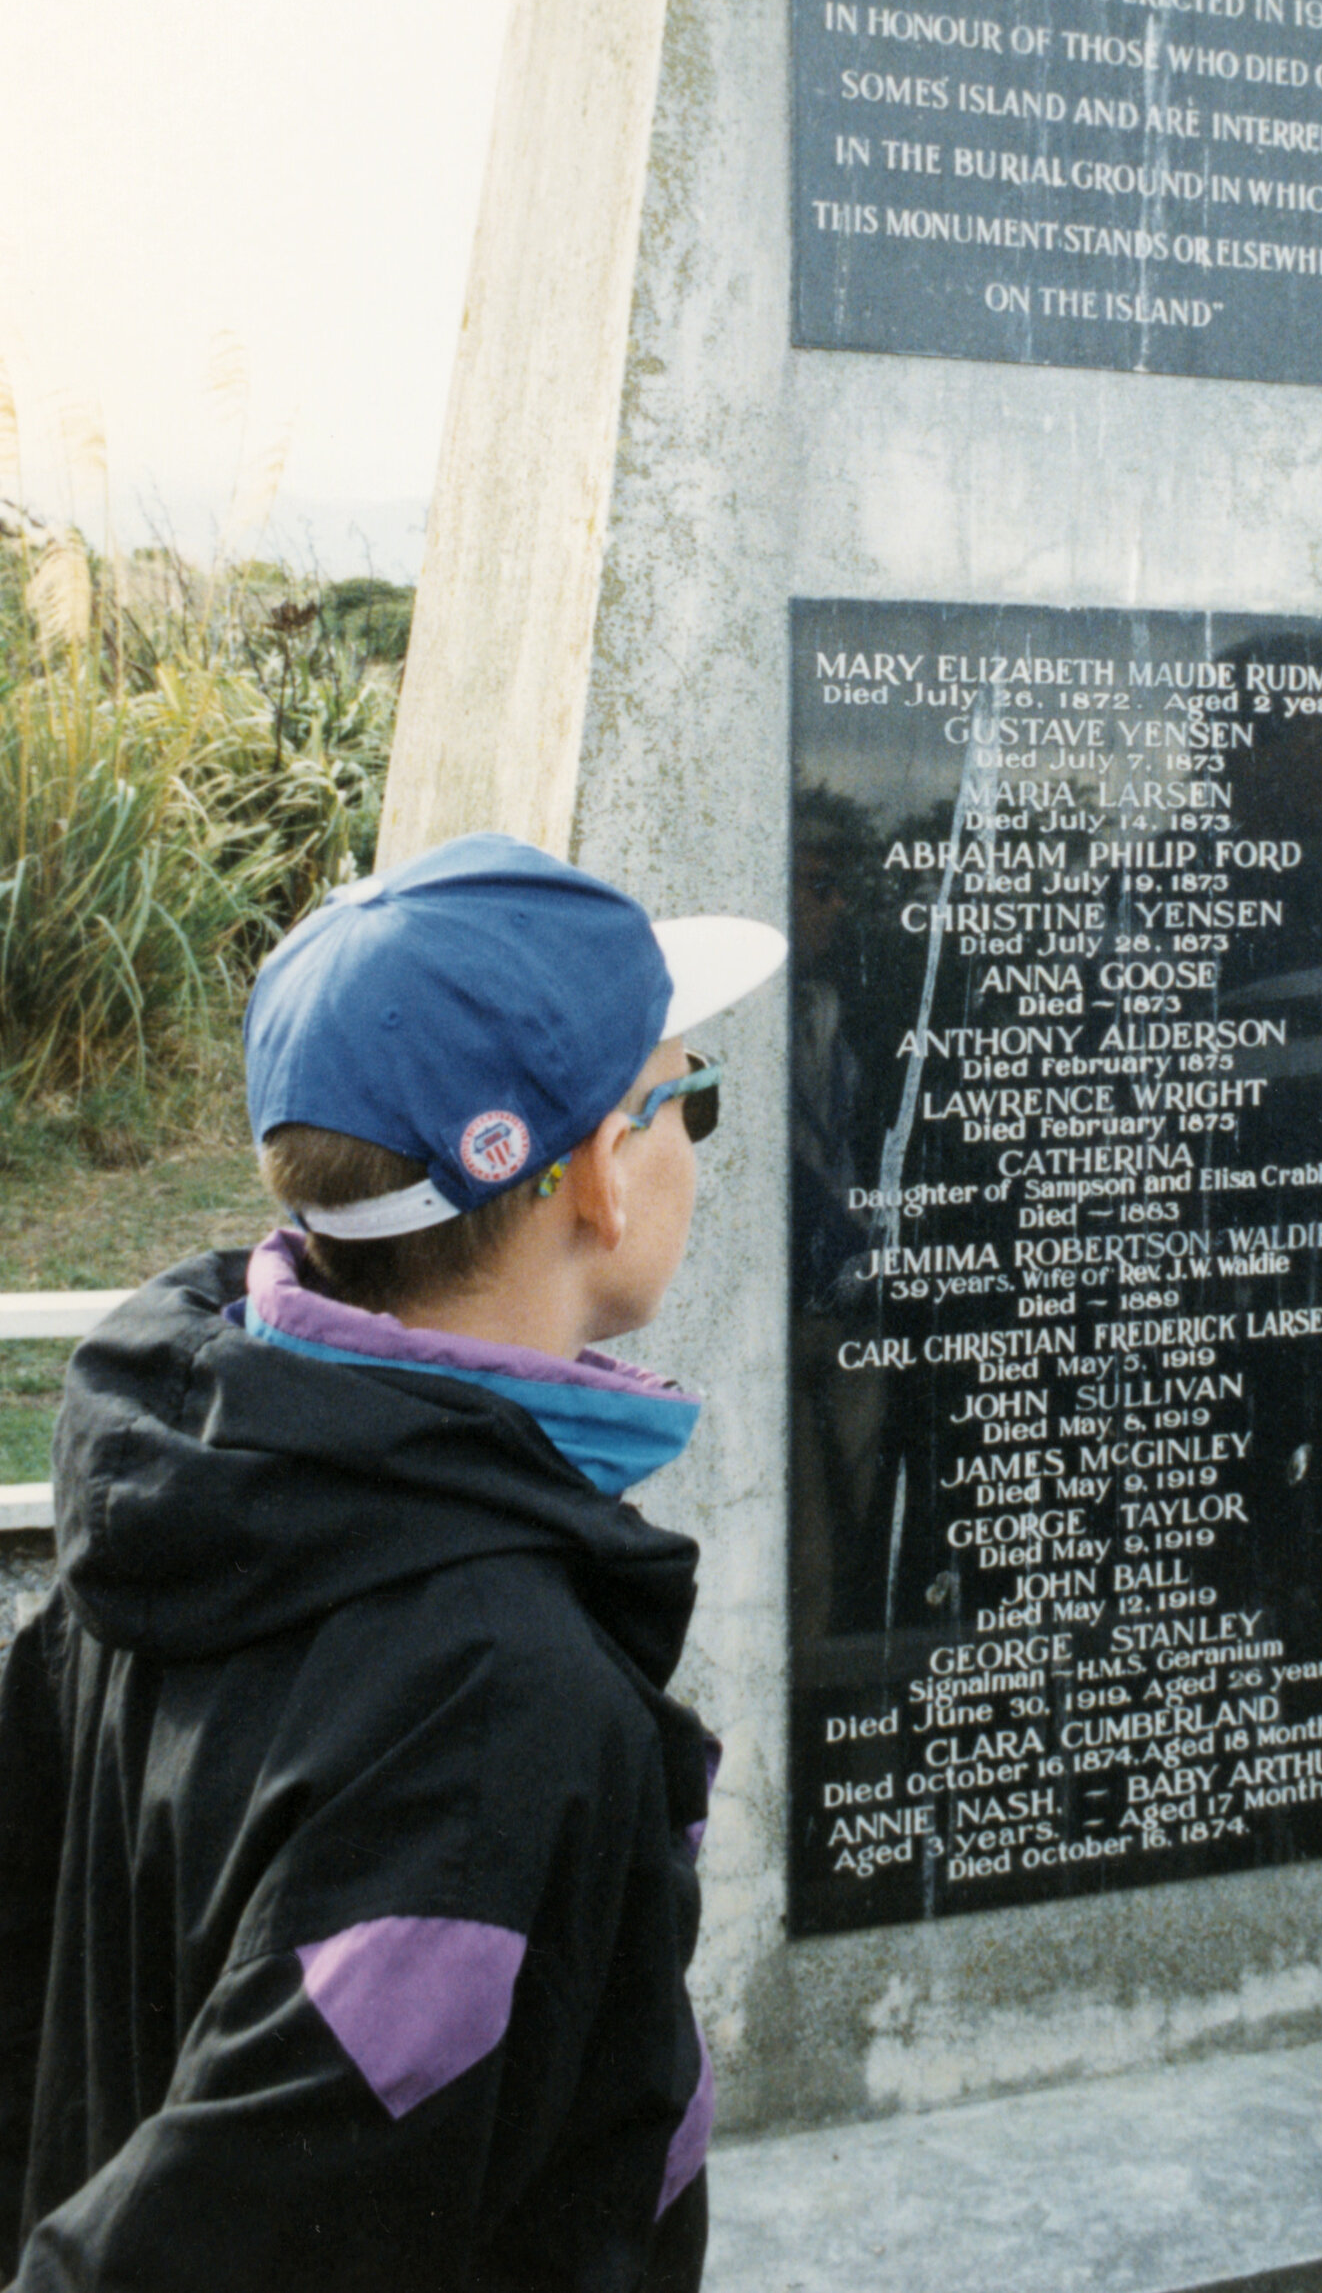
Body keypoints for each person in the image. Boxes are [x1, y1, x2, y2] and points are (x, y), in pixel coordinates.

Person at [0, 833, 783, 2292]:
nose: (693, 1145)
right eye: (692, 1099)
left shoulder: (180, 1481)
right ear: (605, 1176)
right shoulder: (497, 1702)